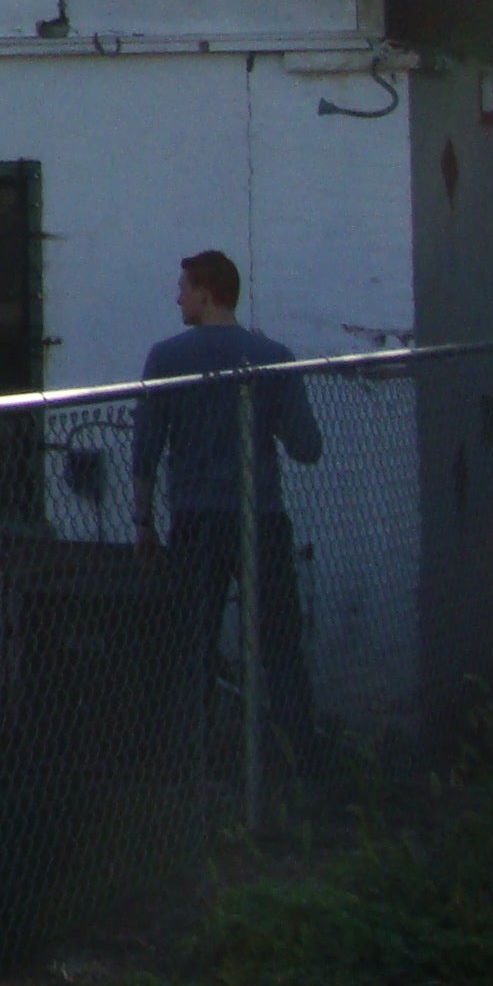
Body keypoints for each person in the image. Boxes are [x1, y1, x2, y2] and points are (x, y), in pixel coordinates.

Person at [130, 250, 324, 768]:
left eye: (183, 287)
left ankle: (186, 759)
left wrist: (143, 521)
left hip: (195, 517)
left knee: (192, 640)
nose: (177, 296)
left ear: (206, 293)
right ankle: (297, 758)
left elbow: (146, 448)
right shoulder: (274, 357)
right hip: (259, 513)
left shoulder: (167, 360)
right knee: (280, 642)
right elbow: (307, 446)